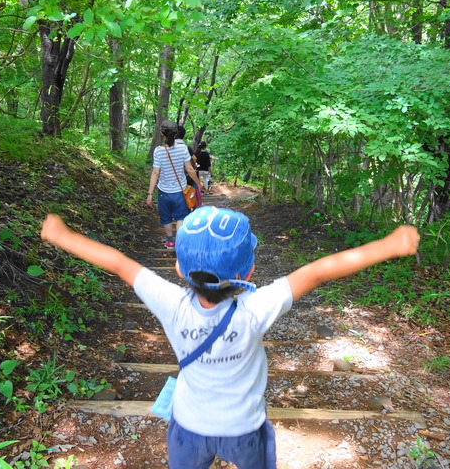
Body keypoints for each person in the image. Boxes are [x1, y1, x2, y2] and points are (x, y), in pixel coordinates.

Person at [40, 207, 420, 469]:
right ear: (249, 269)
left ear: (177, 267)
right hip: (244, 428)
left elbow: (119, 263)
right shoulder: (257, 308)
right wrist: (388, 246)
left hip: (188, 426)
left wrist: (62, 235)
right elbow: (318, 272)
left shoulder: (170, 302)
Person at [147, 120, 203, 249]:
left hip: (163, 192)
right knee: (181, 217)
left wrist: (150, 194)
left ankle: (170, 241)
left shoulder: (158, 151)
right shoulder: (183, 149)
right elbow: (189, 169)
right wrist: (198, 183)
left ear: (162, 133)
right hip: (180, 191)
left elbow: (155, 173)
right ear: (176, 132)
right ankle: (179, 241)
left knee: (166, 217)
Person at [176, 124, 202, 209]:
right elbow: (194, 159)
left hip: (174, 177)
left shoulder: (166, 148)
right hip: (187, 176)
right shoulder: (186, 148)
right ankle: (194, 208)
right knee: (193, 190)